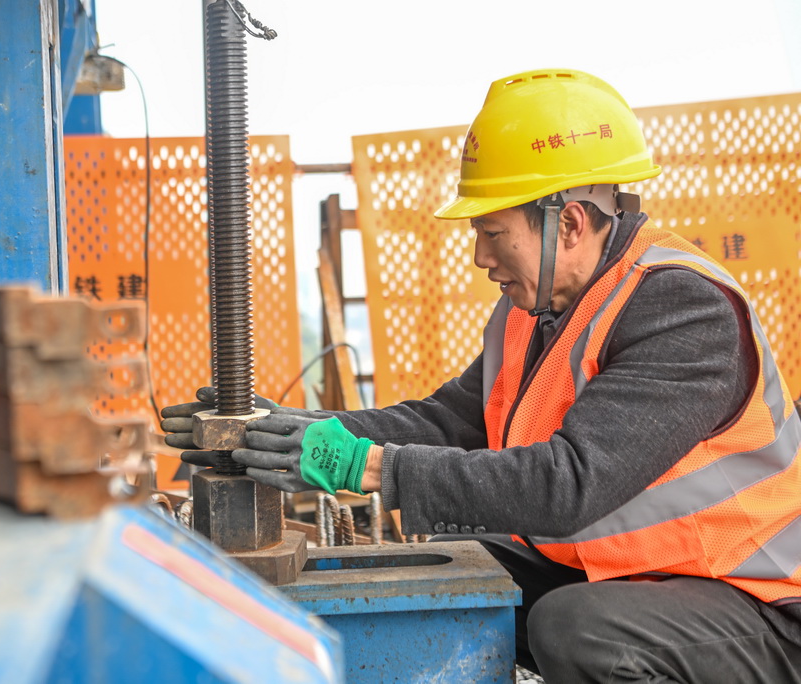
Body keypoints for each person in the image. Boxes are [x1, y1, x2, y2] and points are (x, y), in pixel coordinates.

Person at [161, 69, 801, 682]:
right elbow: (449, 421)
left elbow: (568, 484)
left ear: (569, 224)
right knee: (459, 573)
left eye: (493, 232)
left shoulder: (683, 310)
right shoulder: (540, 310)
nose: (479, 256)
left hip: (760, 603)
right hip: (647, 579)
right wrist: (291, 429)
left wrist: (364, 467)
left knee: (577, 629)